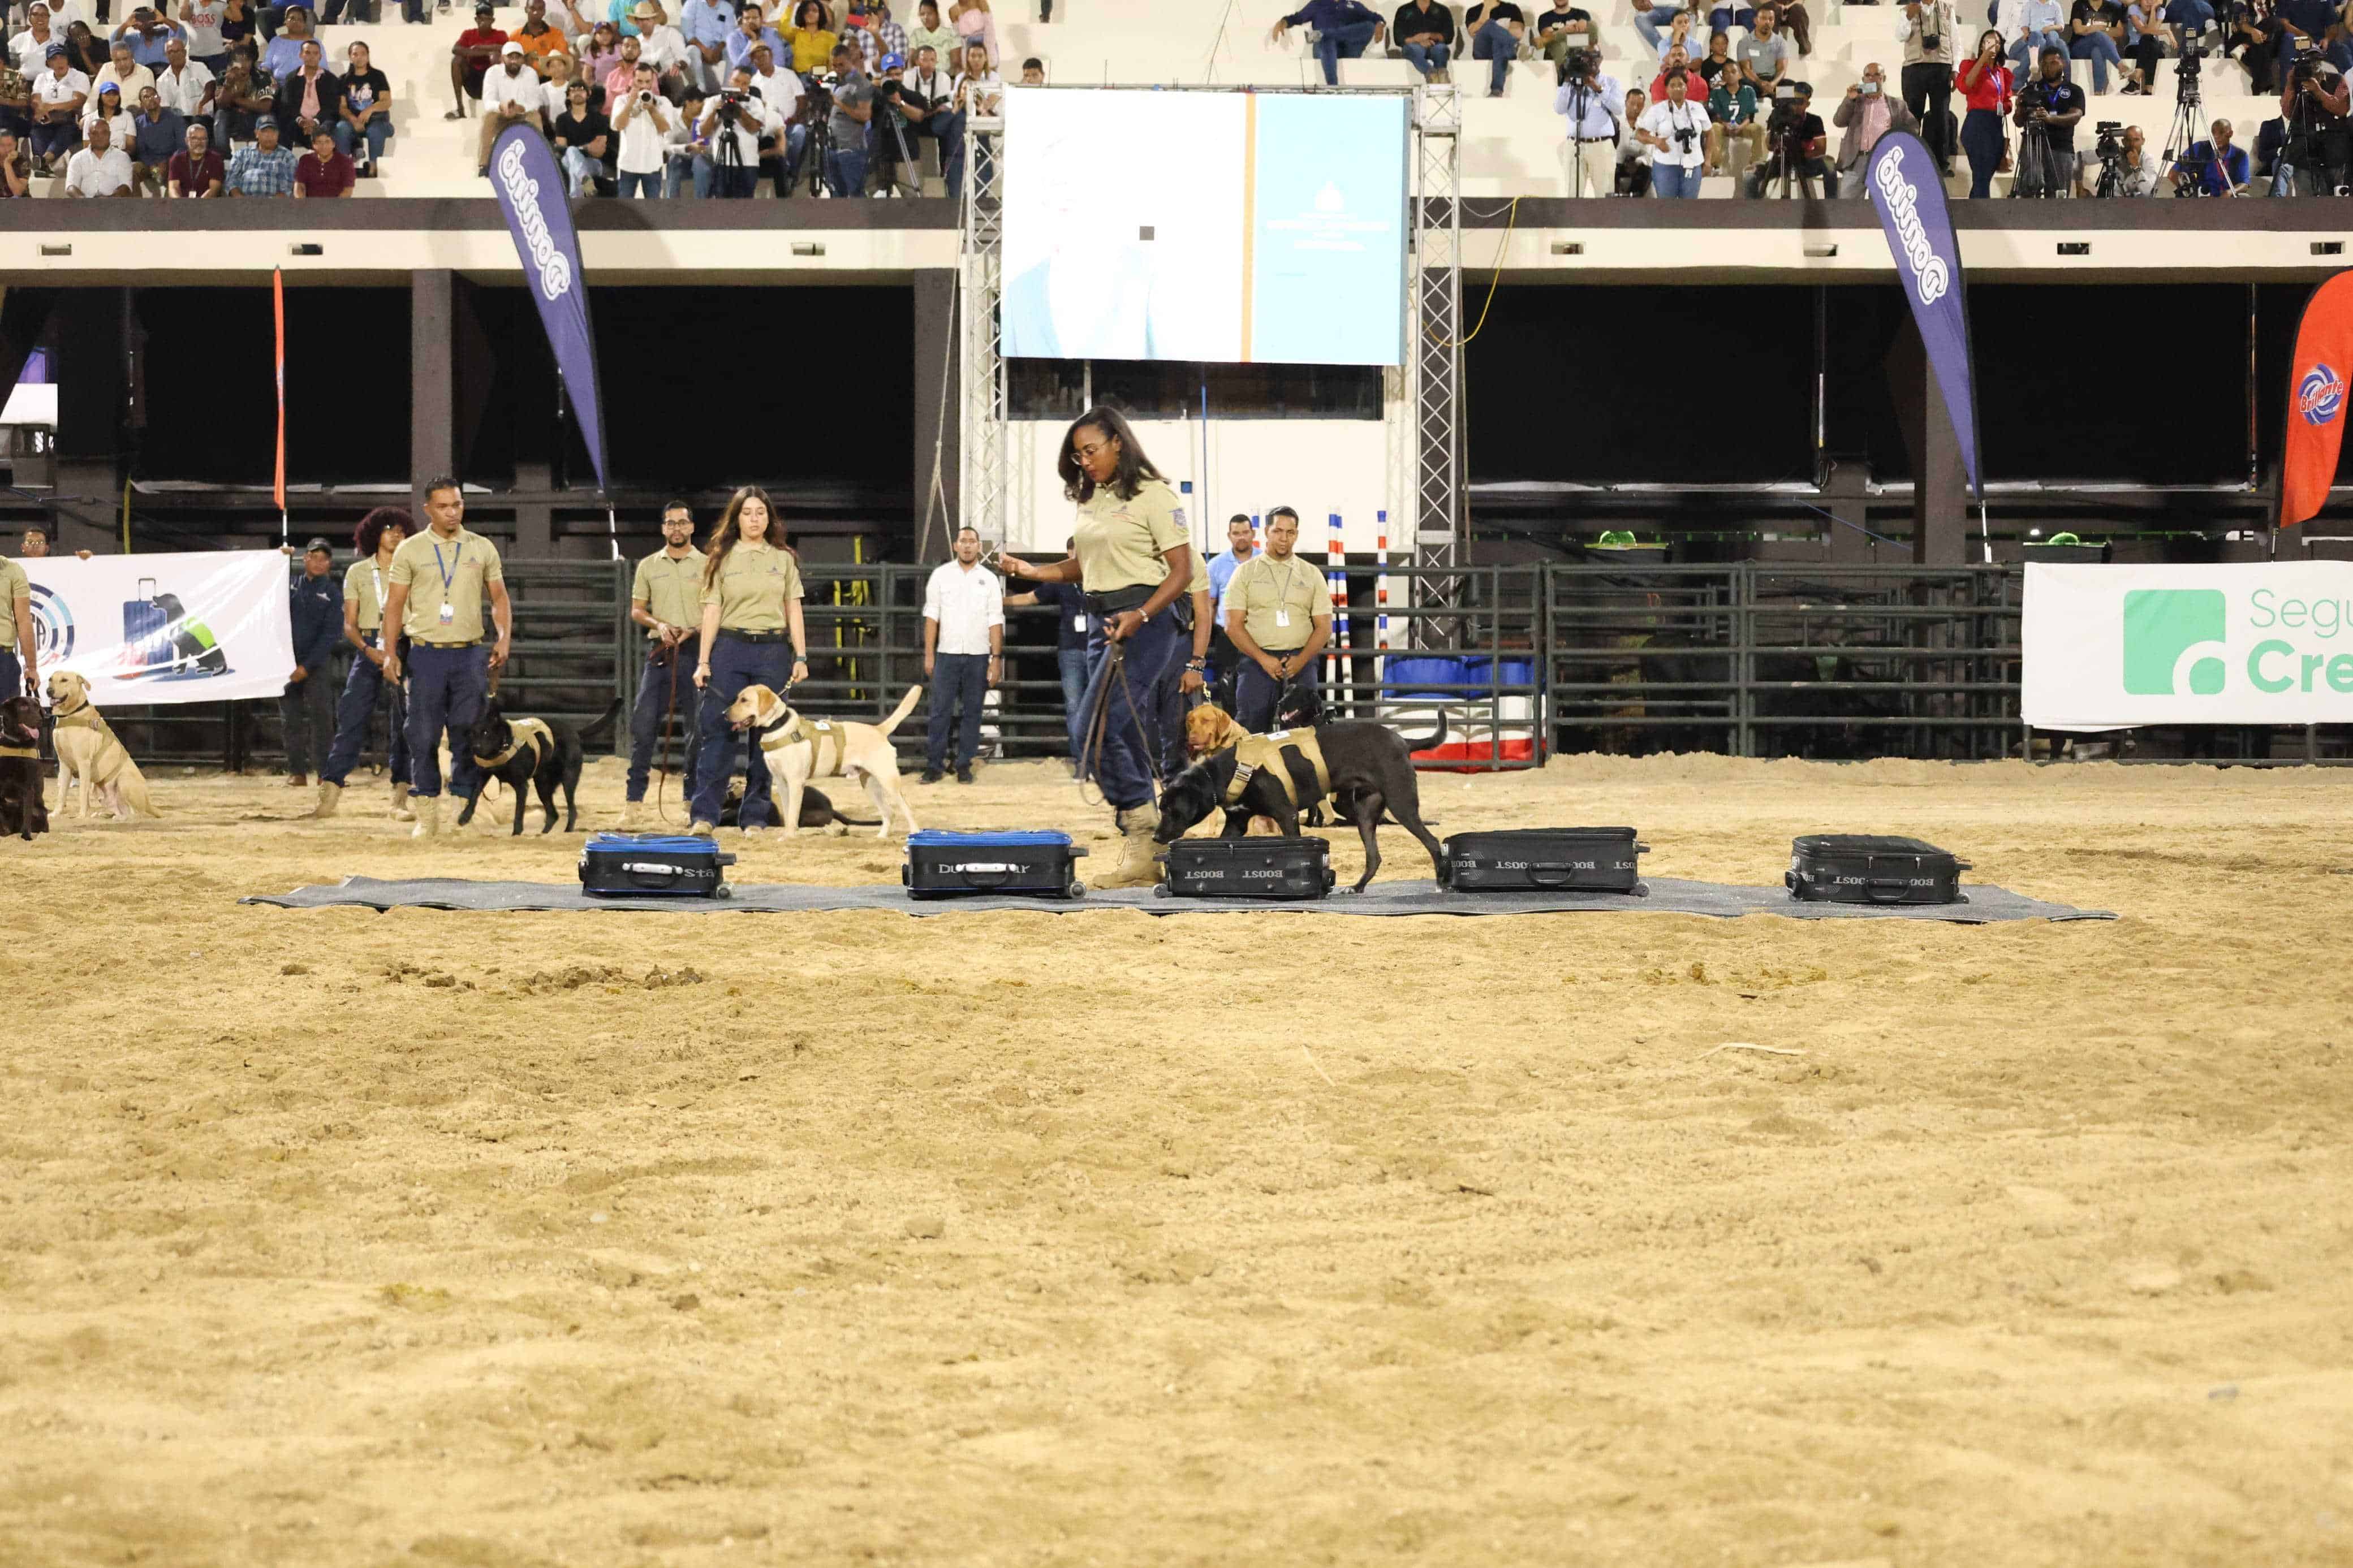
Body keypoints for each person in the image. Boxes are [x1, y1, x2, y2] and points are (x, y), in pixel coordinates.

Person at [997, 407, 1193, 889]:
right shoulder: (1092, 500)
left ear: (1118, 443)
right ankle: (1149, 836)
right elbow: (1082, 566)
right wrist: (1032, 571)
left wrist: (1142, 614)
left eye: (1091, 450)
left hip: (1146, 620)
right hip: (1101, 621)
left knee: (1098, 727)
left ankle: (1147, 828)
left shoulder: (1155, 495)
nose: (1084, 461)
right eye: (1077, 454)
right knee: (1099, 731)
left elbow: (1183, 571)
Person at [377, 477, 512, 839]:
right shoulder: (411, 550)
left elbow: (499, 598)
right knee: (421, 735)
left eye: (457, 504)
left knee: (468, 733)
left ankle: (461, 808)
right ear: (427, 510)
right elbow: (394, 606)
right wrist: (390, 653)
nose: (452, 512)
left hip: (470, 655)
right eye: (443, 506)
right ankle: (427, 810)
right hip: (426, 655)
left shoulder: (482, 548)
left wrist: (503, 638)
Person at [687, 486, 807, 836]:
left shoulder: (783, 559)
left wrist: (800, 655)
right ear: (736, 517)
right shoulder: (720, 559)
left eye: (761, 513)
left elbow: (793, 609)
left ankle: (755, 817)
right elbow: (712, 610)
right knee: (718, 732)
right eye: (747, 512)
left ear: (769, 519)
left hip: (772, 651)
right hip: (729, 649)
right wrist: (704, 661)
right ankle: (705, 816)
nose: (754, 519)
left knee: (767, 739)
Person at [314, 507, 412, 821]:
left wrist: (396, 651)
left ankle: (400, 797)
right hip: (370, 647)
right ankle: (329, 794)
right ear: (374, 535)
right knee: (352, 717)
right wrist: (368, 650)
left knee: (406, 723)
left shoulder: (413, 570)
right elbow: (349, 623)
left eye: (401, 529)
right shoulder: (358, 572)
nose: (396, 534)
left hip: (406, 646)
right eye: (389, 529)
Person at [621, 500, 703, 825]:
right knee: (644, 726)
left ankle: (690, 801)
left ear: (692, 527)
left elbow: (716, 610)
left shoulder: (708, 565)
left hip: (696, 651)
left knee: (697, 728)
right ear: (663, 528)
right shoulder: (649, 566)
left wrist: (692, 630)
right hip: (661, 651)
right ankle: (634, 802)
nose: (677, 529)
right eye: (670, 523)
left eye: (682, 523)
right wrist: (660, 625)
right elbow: (637, 610)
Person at [1223, 508, 1332, 735]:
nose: (1284, 538)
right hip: (1256, 662)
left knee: (1304, 733)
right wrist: (1263, 659)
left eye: (1290, 532)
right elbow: (1233, 626)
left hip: (1301, 662)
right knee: (1251, 730)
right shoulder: (1245, 573)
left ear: (1297, 535)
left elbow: (1324, 627)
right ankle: (1249, 771)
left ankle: (1301, 772)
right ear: (1266, 532)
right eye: (1278, 531)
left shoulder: (1311, 574)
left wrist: (1301, 660)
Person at [919, 525, 1003, 784]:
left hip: (978, 656)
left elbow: (995, 621)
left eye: (972, 541)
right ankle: (935, 764)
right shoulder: (941, 576)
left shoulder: (989, 579)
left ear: (979, 547)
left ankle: (964, 764)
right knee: (939, 711)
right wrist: (929, 654)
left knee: (973, 712)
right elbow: (932, 617)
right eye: (963, 541)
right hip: (947, 654)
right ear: (955, 545)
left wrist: (996, 658)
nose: (967, 545)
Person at [1002, 534, 1088, 764]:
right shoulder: (1061, 580)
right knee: (1074, 706)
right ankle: (1082, 762)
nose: (1078, 555)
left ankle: (1102, 762)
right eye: (1074, 551)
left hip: (1097, 648)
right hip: (1070, 649)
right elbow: (1031, 598)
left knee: (1101, 706)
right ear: (1068, 553)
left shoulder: (1100, 574)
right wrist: (1001, 602)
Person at [281, 537, 341, 789]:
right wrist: (281, 562)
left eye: (324, 559)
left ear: (329, 564)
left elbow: (330, 636)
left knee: (322, 719)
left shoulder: (333, 594)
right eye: (314, 557)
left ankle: (324, 772)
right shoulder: (290, 585)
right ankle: (297, 771)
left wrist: (306, 666)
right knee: (290, 719)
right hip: (286, 661)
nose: (318, 562)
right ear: (305, 559)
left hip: (315, 665)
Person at [1831, 62, 1921, 195]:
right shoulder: (1855, 101)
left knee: (1880, 208)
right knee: (1847, 206)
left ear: (1883, 79)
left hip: (1884, 161)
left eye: (1877, 75)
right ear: (1863, 80)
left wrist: (1897, 147)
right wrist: (1849, 100)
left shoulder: (1898, 105)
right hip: (1856, 160)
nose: (1872, 79)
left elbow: (1913, 128)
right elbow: (1838, 121)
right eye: (1868, 76)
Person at [2276, 47, 2350, 195]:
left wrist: (2318, 92)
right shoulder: (2295, 82)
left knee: (2336, 198)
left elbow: (2342, 109)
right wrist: (2291, 83)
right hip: (2303, 148)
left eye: (2316, 61)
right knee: (2305, 199)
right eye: (2309, 63)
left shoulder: (2337, 79)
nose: (2313, 66)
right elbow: (2287, 112)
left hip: (2333, 149)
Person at [1554, 46, 1626, 197]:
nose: (1588, 62)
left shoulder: (1611, 82)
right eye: (1583, 58)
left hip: (1601, 146)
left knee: (1604, 196)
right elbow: (1559, 109)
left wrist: (1597, 88)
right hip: (1574, 145)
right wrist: (1565, 83)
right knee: (1573, 195)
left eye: (1592, 57)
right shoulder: (1572, 84)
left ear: (1599, 60)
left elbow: (1619, 108)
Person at [2014, 44, 2084, 195]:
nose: (2048, 67)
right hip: (2033, 147)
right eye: (2044, 64)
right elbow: (2018, 122)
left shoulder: (2075, 90)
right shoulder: (2031, 90)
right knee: (2032, 184)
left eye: (2053, 63)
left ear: (2063, 63)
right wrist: (2019, 107)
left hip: (2062, 147)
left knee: (2058, 196)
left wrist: (2049, 119)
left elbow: (2076, 116)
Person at [1269, 0, 1384, 88]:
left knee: (1369, 26)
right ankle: (1333, 87)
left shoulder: (1353, 5)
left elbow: (1375, 17)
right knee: (1327, 41)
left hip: (1349, 48)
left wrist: (1379, 24)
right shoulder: (1318, 3)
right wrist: (1283, 22)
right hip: (1325, 48)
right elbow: (1297, 18)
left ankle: (1323, 33)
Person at [1899, 0, 1956, 174]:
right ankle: (1911, 162)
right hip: (1914, 67)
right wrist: (1909, 17)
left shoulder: (1947, 9)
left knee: (1941, 116)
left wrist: (1956, 69)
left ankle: (1940, 164)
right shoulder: (1906, 9)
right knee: (1912, 117)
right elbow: (1900, 36)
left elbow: (1956, 41)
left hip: (1942, 67)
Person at [1956, 27, 2013, 196]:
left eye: (1996, 43)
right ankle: (1982, 219)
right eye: (1988, 42)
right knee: (1981, 176)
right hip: (1976, 125)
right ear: (1981, 46)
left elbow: (2007, 101)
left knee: (1983, 177)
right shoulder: (1970, 65)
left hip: (1995, 126)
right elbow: (1965, 86)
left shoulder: (2003, 73)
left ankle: (1973, 216)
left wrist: (2005, 107)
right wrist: (1982, 60)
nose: (1992, 47)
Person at [1745, 79, 1825, 195]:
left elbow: (1821, 149)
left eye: (1799, 101)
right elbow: (1770, 146)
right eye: (1793, 101)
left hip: (1804, 163)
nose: (1796, 105)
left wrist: (1798, 155)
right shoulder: (1777, 116)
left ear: (1807, 104)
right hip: (1779, 162)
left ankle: (1829, 204)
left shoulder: (1814, 120)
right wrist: (1776, 127)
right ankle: (1753, 209)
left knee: (1828, 164)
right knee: (1750, 176)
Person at [1639, 66, 1710, 195]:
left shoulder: (1698, 108)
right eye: (1672, 85)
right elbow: (1640, 134)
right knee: (1667, 209)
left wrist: (1708, 160)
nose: (1677, 88)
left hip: (1693, 165)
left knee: (1689, 209)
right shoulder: (1657, 110)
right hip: (1665, 166)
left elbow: (1710, 133)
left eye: (1680, 85)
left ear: (1686, 88)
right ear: (1666, 89)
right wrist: (1656, 141)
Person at [697, 62, 765, 193]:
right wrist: (715, 113)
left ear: (749, 87)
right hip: (721, 162)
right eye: (736, 81)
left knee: (745, 206)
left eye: (744, 84)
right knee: (721, 207)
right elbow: (702, 133)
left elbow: (754, 129)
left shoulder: (755, 103)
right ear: (730, 80)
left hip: (747, 163)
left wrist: (739, 110)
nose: (739, 86)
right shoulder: (713, 101)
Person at [479, 41, 543, 174]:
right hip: (502, 113)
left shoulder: (530, 73)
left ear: (523, 59)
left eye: (518, 57)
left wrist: (519, 108)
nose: (514, 61)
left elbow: (535, 102)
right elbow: (488, 102)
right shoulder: (493, 72)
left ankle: (539, 160)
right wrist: (502, 106)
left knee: (535, 116)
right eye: (511, 57)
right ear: (503, 58)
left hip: (521, 114)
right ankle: (484, 165)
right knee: (489, 117)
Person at [609, 58, 666, 194]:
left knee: (652, 211)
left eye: (647, 81)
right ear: (633, 79)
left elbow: (664, 128)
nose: (644, 85)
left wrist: (652, 108)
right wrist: (631, 103)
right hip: (628, 165)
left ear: (653, 82)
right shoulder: (621, 101)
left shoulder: (662, 102)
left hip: (652, 165)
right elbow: (617, 126)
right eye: (640, 81)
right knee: (624, 211)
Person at [31, 45, 89, 175]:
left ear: (68, 59)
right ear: (48, 63)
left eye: (62, 57)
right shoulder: (42, 77)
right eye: (54, 59)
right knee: (36, 130)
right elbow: (35, 99)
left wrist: (52, 107)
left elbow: (78, 101)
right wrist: (41, 110)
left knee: (67, 129)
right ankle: (42, 165)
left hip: (67, 118)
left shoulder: (79, 76)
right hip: (46, 118)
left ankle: (43, 161)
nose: (59, 61)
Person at [272, 36, 339, 146]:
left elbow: (331, 107)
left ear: (320, 57)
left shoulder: (330, 79)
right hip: (298, 123)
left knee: (327, 128)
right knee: (285, 126)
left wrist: (315, 122)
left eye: (315, 53)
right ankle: (285, 162)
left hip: (322, 122)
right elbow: (287, 105)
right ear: (301, 55)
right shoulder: (292, 78)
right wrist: (301, 121)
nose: (312, 57)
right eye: (308, 53)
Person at [824, 40, 869, 195]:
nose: (837, 69)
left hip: (852, 150)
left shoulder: (861, 84)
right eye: (834, 65)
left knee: (857, 197)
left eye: (841, 65)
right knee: (836, 198)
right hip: (832, 148)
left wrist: (838, 103)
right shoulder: (833, 82)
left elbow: (865, 116)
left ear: (851, 62)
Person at [335, 38, 388, 171]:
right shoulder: (343, 79)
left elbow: (386, 101)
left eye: (363, 54)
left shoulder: (378, 76)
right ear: (350, 57)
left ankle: (373, 168)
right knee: (341, 128)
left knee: (375, 131)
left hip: (377, 120)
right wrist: (353, 119)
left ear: (368, 56)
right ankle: (343, 169)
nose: (359, 57)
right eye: (355, 54)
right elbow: (342, 107)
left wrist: (369, 110)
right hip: (351, 122)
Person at [1706, 51, 1763, 172]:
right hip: (1724, 126)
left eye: (1733, 72)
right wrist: (1725, 125)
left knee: (1758, 129)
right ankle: (1715, 165)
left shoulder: (1749, 91)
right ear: (1722, 77)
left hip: (1743, 126)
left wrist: (1740, 127)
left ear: (1740, 75)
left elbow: (1749, 117)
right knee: (1714, 127)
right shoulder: (1716, 92)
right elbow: (1716, 116)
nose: (1730, 75)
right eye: (1726, 72)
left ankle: (1757, 165)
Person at [447, 2, 504, 121]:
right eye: (481, 19)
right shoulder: (468, 34)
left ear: (493, 20)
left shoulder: (500, 35)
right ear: (476, 19)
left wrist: (480, 47)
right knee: (456, 61)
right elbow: (456, 49)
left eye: (487, 19)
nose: (483, 22)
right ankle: (460, 108)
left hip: (491, 83)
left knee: (496, 57)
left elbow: (506, 50)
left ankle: (497, 107)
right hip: (473, 81)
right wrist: (486, 53)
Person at [553, 76, 611, 192]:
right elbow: (562, 149)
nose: (577, 93)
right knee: (571, 154)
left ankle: (576, 197)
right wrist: (587, 147)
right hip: (568, 160)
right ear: (568, 96)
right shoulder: (561, 119)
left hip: (594, 163)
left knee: (572, 155)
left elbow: (599, 151)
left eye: (581, 90)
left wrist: (577, 149)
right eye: (573, 91)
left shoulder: (599, 118)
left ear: (588, 94)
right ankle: (586, 187)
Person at [2171, 115, 2248, 192]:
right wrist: (2189, 192)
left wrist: (2230, 192)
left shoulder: (2241, 155)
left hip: (2229, 200)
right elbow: (2172, 174)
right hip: (2202, 199)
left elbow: (2245, 184)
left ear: (2231, 134)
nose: (2217, 137)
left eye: (2221, 133)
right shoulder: (2199, 148)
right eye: (2214, 133)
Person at [128, 83, 183, 190]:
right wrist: (153, 166)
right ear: (141, 104)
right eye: (146, 97)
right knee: (134, 169)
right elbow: (141, 150)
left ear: (160, 99)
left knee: (177, 165)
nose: (151, 99)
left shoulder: (175, 119)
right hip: (149, 165)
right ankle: (135, 205)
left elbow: (182, 146)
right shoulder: (138, 123)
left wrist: (168, 162)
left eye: (154, 95)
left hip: (171, 163)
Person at [63, 109, 131, 191]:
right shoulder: (77, 159)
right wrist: (84, 199)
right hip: (85, 201)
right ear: (89, 136)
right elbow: (71, 187)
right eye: (95, 133)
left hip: (114, 202)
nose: (100, 137)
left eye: (104, 133)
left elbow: (126, 186)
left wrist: (109, 200)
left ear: (110, 134)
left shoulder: (122, 157)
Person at [225, 109, 294, 189]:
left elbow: (288, 188)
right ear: (256, 133)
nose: (269, 135)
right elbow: (231, 183)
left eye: (273, 131)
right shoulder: (241, 155)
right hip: (244, 200)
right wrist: (242, 200)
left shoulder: (288, 157)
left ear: (278, 134)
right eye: (264, 131)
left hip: (276, 201)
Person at [1466, 0, 1521, 94]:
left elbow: (1518, 33)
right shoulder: (1473, 11)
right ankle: (1517, 47)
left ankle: (1496, 90)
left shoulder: (1512, 9)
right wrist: (1487, 8)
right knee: (1490, 24)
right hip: (1483, 51)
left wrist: (1497, 33)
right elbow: (1473, 32)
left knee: (1498, 42)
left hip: (1502, 49)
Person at [2068, 0, 2124, 90]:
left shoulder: (2113, 7)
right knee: (2097, 35)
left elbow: (2120, 31)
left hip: (2100, 48)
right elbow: (2078, 29)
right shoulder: (2079, 5)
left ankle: (2098, 93)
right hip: (2079, 48)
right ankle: (2121, 66)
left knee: (2097, 50)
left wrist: (2098, 30)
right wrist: (2102, 31)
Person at [2007, 0, 2068, 83]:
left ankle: (2055, 65)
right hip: (2035, 34)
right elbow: (2024, 25)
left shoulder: (2055, 5)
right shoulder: (2030, 4)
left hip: (2051, 31)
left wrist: (2050, 28)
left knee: (2052, 37)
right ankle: (2035, 63)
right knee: (2038, 36)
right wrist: (2027, 34)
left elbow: (2061, 26)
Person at [0, 547, 32, 702]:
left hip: (3, 661)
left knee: (7, 722)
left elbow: (24, 621)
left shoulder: (13, 571)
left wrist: (31, 667)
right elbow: (23, 621)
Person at [1736, 5, 1791, 93]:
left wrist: (1772, 84)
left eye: (1771, 19)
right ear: (1755, 21)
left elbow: (1782, 69)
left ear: (1774, 22)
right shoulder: (1744, 42)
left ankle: (1772, 96)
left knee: (1791, 87)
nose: (1767, 22)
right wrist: (1760, 83)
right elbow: (1746, 69)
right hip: (1754, 81)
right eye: (1763, 18)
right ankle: (1768, 94)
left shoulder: (1781, 43)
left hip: (1773, 82)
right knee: (1743, 85)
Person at [1394, 0, 1455, 77]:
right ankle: (1431, 74)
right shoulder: (1404, 10)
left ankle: (1442, 74)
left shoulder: (1443, 10)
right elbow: (1398, 37)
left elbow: (1449, 36)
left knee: (1442, 48)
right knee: (1411, 48)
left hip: (1435, 45)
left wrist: (1431, 35)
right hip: (1414, 46)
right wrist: (1416, 40)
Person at [292, 121, 348, 191]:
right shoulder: (305, 160)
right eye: (319, 142)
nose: (324, 146)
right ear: (313, 145)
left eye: (327, 142)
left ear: (334, 144)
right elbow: (299, 187)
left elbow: (346, 192)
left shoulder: (344, 162)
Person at [782, 0, 834, 70]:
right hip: (796, 77)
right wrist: (792, 4)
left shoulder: (831, 38)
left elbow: (832, 68)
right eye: (807, 11)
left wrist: (813, 72)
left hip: (818, 78)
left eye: (815, 11)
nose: (810, 13)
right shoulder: (797, 34)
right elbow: (783, 27)